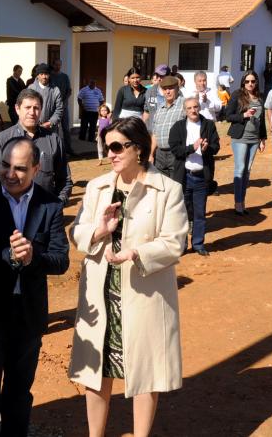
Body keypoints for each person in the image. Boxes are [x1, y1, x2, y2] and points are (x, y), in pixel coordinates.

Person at [69, 116, 186, 437]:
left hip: (144, 294)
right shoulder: (97, 188)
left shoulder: (167, 190)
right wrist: (98, 231)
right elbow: (76, 231)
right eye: (108, 148)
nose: (112, 154)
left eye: (118, 146)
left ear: (138, 148)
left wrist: (137, 253)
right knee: (97, 372)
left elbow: (175, 241)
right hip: (102, 293)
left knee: (145, 373)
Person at [0, 137, 69, 436]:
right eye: (6, 166)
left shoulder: (50, 205)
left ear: (36, 169)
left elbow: (60, 260)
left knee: (19, 391)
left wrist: (32, 257)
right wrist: (6, 256)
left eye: (21, 168)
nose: (11, 174)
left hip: (28, 313)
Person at [0, 88, 73, 205]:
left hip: (46, 211)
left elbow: (64, 180)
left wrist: (56, 204)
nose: (32, 112)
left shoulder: (54, 139)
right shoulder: (2, 140)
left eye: (36, 108)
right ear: (17, 109)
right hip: (11, 214)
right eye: (27, 107)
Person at [169, 97, 220, 256]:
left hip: (201, 177)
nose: (193, 110)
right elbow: (175, 149)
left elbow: (216, 147)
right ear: (185, 110)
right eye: (190, 108)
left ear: (199, 108)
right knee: (182, 213)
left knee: (200, 213)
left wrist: (206, 148)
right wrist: (192, 147)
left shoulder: (209, 125)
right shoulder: (178, 127)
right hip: (183, 176)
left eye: (195, 107)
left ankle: (198, 244)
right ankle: (182, 244)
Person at [224, 70, 267, 215]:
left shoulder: (260, 98)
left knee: (247, 171)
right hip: (240, 137)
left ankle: (242, 202)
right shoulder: (237, 94)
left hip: (254, 139)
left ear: (256, 82)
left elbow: (262, 121)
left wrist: (263, 138)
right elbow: (228, 115)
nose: (250, 84)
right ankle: (237, 204)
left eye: (253, 81)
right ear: (243, 82)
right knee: (240, 169)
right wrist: (244, 115)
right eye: (247, 81)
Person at [148, 75, 186, 177]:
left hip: (176, 153)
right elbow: (155, 134)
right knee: (162, 186)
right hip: (160, 154)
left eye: (170, 88)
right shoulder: (160, 109)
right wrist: (151, 154)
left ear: (177, 88)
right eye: (165, 89)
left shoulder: (185, 105)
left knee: (176, 186)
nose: (167, 92)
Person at [28, 63, 64, 131]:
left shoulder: (55, 90)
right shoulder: (31, 89)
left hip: (51, 129)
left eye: (46, 74)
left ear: (49, 75)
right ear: (38, 75)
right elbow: (27, 107)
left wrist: (50, 122)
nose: (44, 77)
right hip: (34, 128)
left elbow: (59, 109)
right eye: (41, 74)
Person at [50, 59, 74, 156]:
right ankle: (55, 149)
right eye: (56, 65)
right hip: (53, 108)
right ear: (53, 65)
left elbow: (69, 91)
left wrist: (63, 102)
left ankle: (68, 148)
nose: (58, 66)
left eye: (60, 65)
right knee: (54, 129)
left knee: (66, 129)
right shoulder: (50, 77)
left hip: (64, 106)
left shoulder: (65, 77)